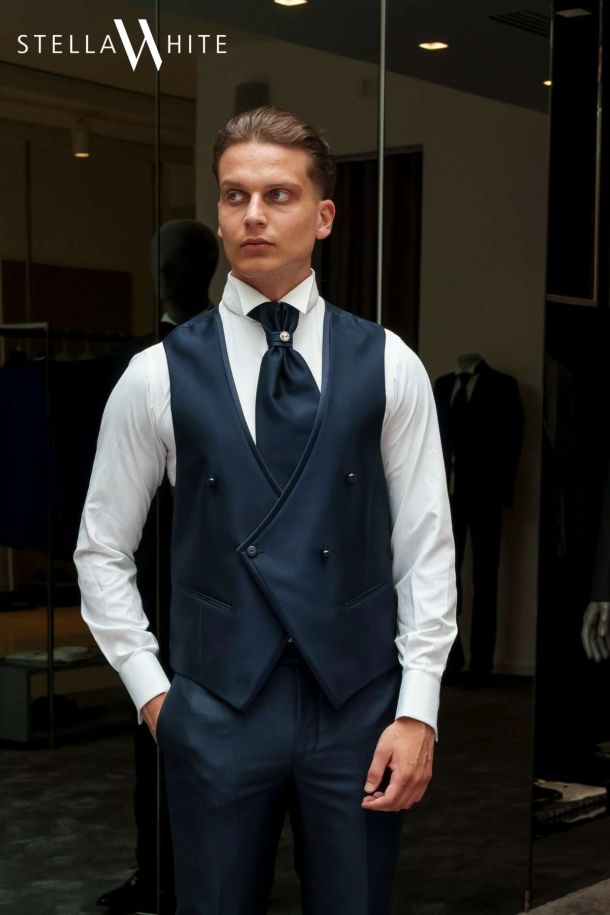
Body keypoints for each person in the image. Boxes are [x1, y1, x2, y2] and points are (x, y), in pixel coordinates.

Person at [74, 105, 457, 915]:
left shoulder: (390, 364)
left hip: (358, 709)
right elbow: (101, 549)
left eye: (278, 195)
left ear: (323, 216)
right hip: (216, 707)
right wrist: (155, 696)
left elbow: (424, 546)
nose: (253, 214)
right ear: (218, 214)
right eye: (234, 195)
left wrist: (417, 709)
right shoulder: (155, 375)